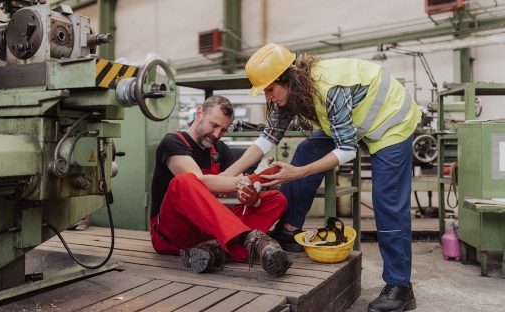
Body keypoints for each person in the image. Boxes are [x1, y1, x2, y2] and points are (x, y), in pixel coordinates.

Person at [221, 43, 421, 312]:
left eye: (269, 89)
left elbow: (347, 148)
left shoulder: (330, 88)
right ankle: (289, 230)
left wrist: (298, 173)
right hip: (356, 122)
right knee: (306, 150)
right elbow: (268, 138)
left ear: (287, 78)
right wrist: (227, 176)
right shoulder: (290, 93)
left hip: (391, 121)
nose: (268, 97)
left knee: (387, 199)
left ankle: (400, 287)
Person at [149, 94, 292, 277]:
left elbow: (242, 189)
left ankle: (214, 250)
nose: (217, 134)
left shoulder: (220, 149)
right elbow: (201, 181)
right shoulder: (173, 143)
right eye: (214, 125)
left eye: (223, 130)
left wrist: (252, 194)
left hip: (211, 230)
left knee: (276, 199)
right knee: (184, 181)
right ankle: (247, 239)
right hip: (173, 232)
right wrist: (253, 179)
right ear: (199, 113)